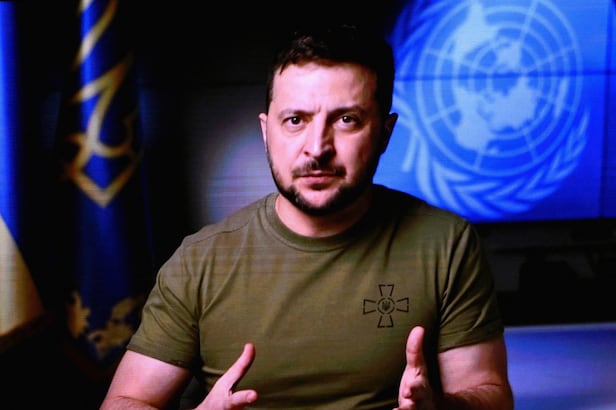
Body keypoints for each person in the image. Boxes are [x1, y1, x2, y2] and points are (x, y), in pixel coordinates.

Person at [100, 23, 514, 409]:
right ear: (267, 131)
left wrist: (444, 407)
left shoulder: (445, 244)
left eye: (347, 120)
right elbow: (123, 401)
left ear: (385, 133)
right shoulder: (201, 261)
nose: (317, 148)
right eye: (295, 120)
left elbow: (489, 390)